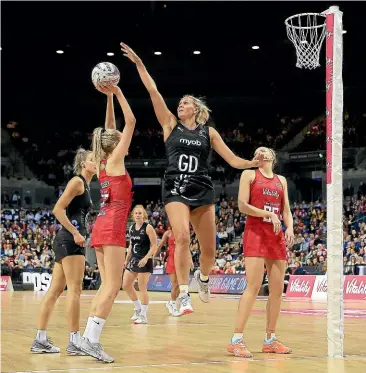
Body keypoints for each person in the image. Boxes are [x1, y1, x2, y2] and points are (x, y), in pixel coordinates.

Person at [121, 42, 261, 315]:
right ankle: (184, 295)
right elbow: (153, 90)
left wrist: (252, 164)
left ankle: (204, 278)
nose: (180, 105)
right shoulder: (169, 124)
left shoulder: (209, 133)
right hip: (174, 187)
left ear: (195, 109)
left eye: (185, 102)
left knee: (209, 251)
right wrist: (139, 63)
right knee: (182, 236)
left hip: (202, 189)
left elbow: (232, 160)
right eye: (180, 103)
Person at [78, 82, 135, 363]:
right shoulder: (115, 161)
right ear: (116, 144)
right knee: (113, 286)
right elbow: (132, 121)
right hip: (112, 226)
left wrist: (109, 97)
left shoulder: (101, 162)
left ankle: (86, 339)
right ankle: (92, 340)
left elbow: (109, 127)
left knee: (105, 284)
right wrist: (119, 91)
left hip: (100, 224)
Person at [227, 147, 295, 358]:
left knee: (276, 291)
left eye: (264, 150)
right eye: (256, 150)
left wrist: (290, 227)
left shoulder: (280, 180)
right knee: (254, 286)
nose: (260, 152)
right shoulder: (249, 174)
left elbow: (286, 211)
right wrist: (268, 213)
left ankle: (270, 339)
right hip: (256, 233)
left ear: (272, 157)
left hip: (276, 236)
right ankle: (236, 339)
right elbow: (242, 205)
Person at [30, 149, 95, 355]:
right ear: (83, 163)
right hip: (70, 241)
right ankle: (75, 341)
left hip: (65, 241)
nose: (97, 162)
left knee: (55, 291)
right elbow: (58, 209)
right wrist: (76, 233)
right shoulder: (77, 182)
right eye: (93, 159)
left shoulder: (85, 185)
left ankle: (40, 339)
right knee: (75, 290)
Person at [123, 205, 158, 324]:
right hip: (134, 259)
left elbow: (154, 245)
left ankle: (143, 315)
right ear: (133, 215)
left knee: (142, 288)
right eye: (136, 213)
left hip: (144, 260)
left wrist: (147, 258)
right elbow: (131, 245)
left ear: (144, 215)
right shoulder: (132, 228)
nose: (138, 215)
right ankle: (138, 309)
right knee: (126, 285)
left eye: (140, 213)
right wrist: (126, 259)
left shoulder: (148, 228)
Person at [156, 226, 193, 317]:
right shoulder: (168, 233)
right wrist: (152, 256)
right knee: (175, 284)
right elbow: (160, 245)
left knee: (179, 285)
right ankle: (172, 304)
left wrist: (190, 259)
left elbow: (186, 248)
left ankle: (171, 303)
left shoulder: (184, 233)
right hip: (172, 259)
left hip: (182, 259)